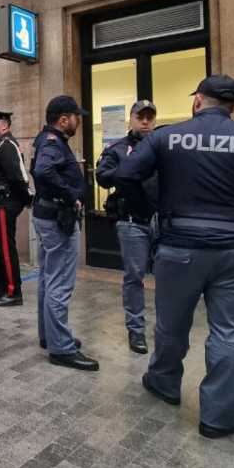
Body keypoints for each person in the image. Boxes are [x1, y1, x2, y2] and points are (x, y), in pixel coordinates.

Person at [114, 75, 234, 439]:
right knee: (230, 334)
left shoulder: (165, 137)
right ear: (233, 106)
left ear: (197, 101)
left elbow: (125, 174)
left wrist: (151, 212)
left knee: (171, 325)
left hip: (180, 248)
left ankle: (164, 383)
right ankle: (218, 418)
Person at [32, 95, 99, 371]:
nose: (78, 122)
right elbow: (43, 170)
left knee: (48, 279)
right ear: (63, 119)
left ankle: (51, 336)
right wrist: (71, 194)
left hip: (48, 216)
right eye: (76, 117)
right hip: (57, 221)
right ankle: (60, 348)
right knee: (59, 282)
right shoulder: (52, 142)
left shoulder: (48, 140)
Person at [95, 99, 159, 355]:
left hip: (161, 221)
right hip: (132, 222)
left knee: (168, 278)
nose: (145, 122)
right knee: (135, 278)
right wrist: (130, 167)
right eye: (140, 117)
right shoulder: (118, 149)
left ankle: (165, 331)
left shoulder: (162, 146)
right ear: (130, 119)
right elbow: (101, 176)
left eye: (149, 117)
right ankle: (136, 331)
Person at [0, 107, 33, 307]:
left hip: (5, 204)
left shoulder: (8, 145)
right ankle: (0, 286)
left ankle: (13, 291)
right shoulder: (0, 145)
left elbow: (19, 177)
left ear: (5, 124)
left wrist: (25, 198)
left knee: (5, 247)